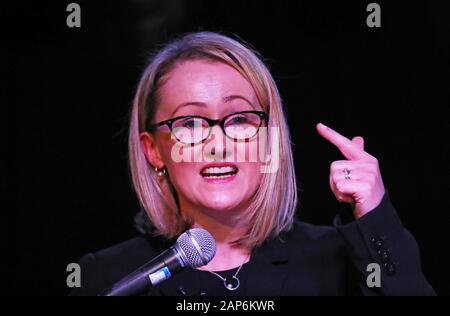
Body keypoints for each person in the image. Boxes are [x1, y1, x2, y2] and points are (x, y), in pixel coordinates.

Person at [70, 31, 435, 296]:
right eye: (191, 124)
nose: (218, 144)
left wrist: (375, 217)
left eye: (240, 119)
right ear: (154, 151)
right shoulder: (109, 277)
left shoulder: (337, 261)